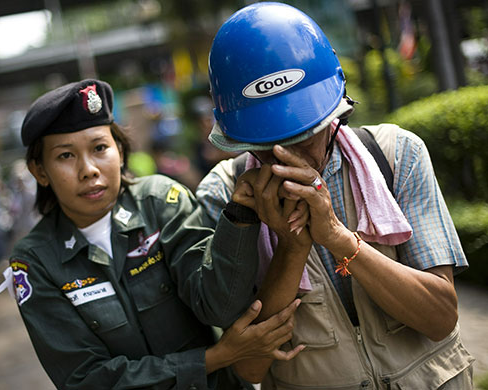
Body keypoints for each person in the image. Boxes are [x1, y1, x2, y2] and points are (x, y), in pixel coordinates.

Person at [196, 2, 475, 389]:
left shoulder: (397, 155)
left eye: (301, 136)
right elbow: (251, 369)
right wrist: (292, 248)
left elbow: (441, 318)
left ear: (333, 117)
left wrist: (338, 238)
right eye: (266, 144)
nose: (285, 157)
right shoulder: (225, 196)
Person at [0, 78, 303, 389]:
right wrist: (215, 357)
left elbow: (218, 306)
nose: (88, 169)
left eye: (100, 147)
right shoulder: (35, 261)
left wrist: (239, 218)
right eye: (66, 155)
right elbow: (84, 380)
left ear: (119, 150)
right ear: (40, 171)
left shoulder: (160, 202)